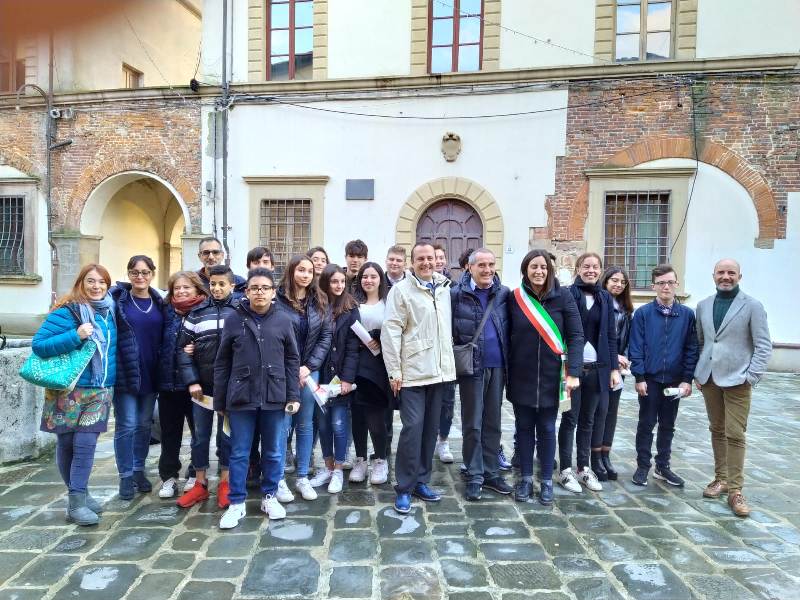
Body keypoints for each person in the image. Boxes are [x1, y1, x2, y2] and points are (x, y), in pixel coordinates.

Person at [215, 268, 300, 528]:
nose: (259, 292)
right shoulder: (234, 319)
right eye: (254, 288)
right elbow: (222, 362)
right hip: (241, 396)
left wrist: (293, 395)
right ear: (247, 291)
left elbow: (292, 359)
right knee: (239, 452)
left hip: (275, 395)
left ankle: (269, 496)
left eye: (265, 287)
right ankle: (237, 502)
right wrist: (220, 401)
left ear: (273, 292)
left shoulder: (283, 320)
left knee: (273, 451)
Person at [32, 264, 117, 526]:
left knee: (86, 444)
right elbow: (39, 345)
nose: (96, 286)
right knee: (67, 443)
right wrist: (75, 336)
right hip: (68, 389)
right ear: (81, 283)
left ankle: (77, 500)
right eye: (91, 281)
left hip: (99, 389)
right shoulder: (67, 312)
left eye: (102, 282)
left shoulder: (111, 312)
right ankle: (79, 497)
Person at [381, 242, 456, 514]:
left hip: (439, 372)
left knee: (430, 429)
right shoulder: (401, 290)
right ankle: (404, 486)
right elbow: (391, 331)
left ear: (437, 260)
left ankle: (421, 481)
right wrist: (394, 371)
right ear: (412, 262)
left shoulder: (444, 288)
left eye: (430, 258)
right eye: (420, 259)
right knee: (412, 428)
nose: (426, 263)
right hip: (412, 373)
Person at [694, 259, 771, 517]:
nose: (725, 277)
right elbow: (702, 341)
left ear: (739, 276)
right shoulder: (703, 305)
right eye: (721, 272)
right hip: (709, 379)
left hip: (739, 380)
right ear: (713, 275)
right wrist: (699, 372)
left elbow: (763, 345)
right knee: (716, 429)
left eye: (731, 273)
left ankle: (736, 490)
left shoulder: (752, 306)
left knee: (735, 433)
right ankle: (721, 479)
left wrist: (752, 376)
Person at [507, 250, 582, 504]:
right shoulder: (515, 298)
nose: (539, 271)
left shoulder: (564, 296)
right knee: (524, 428)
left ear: (550, 270)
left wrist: (574, 372)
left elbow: (576, 335)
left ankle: (547, 481)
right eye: (534, 267)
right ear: (525, 270)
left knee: (548, 428)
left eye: (543, 267)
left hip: (553, 377)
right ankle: (526, 479)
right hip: (522, 375)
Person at [451, 248, 513, 501]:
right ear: (470, 267)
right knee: (473, 423)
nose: (487, 270)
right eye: (481, 265)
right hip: (471, 368)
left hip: (498, 367)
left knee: (493, 423)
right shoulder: (456, 294)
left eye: (491, 264)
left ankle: (491, 472)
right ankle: (475, 474)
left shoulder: (504, 293)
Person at [629, 264, 699, 487]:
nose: (666, 287)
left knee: (668, 425)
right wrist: (639, 377)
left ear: (676, 284)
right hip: (650, 379)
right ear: (654, 286)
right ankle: (643, 466)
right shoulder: (643, 314)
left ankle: (663, 466)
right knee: (646, 423)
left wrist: (687, 379)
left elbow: (691, 348)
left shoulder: (687, 315)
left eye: (670, 282)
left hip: (674, 380)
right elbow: (636, 347)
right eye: (661, 283)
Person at [175, 265, 238, 509]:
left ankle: (225, 482)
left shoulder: (240, 311)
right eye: (213, 284)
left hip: (230, 388)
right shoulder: (197, 313)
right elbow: (183, 350)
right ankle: (200, 483)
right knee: (200, 436)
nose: (217, 288)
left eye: (222, 284)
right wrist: (192, 381)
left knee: (227, 436)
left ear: (232, 285)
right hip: (202, 388)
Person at [557, 253, 619, 493]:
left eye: (595, 267)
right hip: (572, 370)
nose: (591, 270)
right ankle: (565, 470)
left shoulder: (605, 297)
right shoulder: (567, 294)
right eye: (586, 266)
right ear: (578, 269)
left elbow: (611, 336)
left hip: (597, 369)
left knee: (588, 420)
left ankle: (583, 468)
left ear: (600, 270)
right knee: (569, 419)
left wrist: (613, 368)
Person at [276, 255, 333, 501]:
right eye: (301, 270)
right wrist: (291, 368)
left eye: (309, 271)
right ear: (291, 271)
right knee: (282, 424)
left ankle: (302, 476)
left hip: (310, 371)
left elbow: (326, 336)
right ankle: (278, 478)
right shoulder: (276, 299)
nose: (305, 275)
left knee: (305, 423)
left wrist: (308, 366)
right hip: (282, 372)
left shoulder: (320, 300)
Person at [111, 255, 164, 500]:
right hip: (126, 371)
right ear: (129, 274)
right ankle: (125, 475)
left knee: (144, 425)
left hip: (151, 373)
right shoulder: (117, 300)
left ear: (152, 274)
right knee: (127, 424)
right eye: (135, 272)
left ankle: (138, 470)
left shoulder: (159, 301)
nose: (140, 277)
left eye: (144, 272)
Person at [308, 264, 360, 493]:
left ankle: (338, 468)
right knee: (322, 424)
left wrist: (347, 378)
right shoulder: (316, 306)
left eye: (342, 281)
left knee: (339, 424)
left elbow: (353, 348)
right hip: (319, 374)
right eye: (334, 281)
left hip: (339, 377)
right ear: (325, 283)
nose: (339, 285)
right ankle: (328, 467)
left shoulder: (351, 308)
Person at [157, 271, 208, 498]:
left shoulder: (205, 311)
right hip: (168, 382)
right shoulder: (165, 310)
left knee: (198, 433)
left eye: (186, 287)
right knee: (170, 433)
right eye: (177, 288)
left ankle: (195, 473)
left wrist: (199, 347)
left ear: (197, 289)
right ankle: (168, 477)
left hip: (196, 384)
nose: (181, 291)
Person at [350, 262, 393, 485]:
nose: (368, 280)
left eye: (373, 276)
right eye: (364, 277)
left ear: (380, 279)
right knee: (357, 417)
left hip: (379, 368)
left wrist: (379, 337)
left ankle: (380, 460)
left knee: (376, 418)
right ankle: (360, 459)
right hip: (355, 365)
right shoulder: (352, 303)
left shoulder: (389, 303)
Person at [596, 266, 634, 480]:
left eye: (622, 282)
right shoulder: (599, 304)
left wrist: (624, 358)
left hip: (619, 369)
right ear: (606, 281)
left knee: (611, 412)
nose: (618, 285)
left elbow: (629, 339)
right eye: (614, 280)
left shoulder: (626, 309)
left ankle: (605, 454)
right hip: (601, 366)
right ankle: (595, 456)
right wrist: (613, 357)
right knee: (599, 411)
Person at [432, 244, 457, 464]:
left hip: (448, 353)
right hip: (428, 352)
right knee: (430, 400)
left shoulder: (453, 287)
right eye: (435, 257)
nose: (438, 261)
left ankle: (444, 440)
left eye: (441, 257)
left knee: (448, 401)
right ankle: (429, 438)